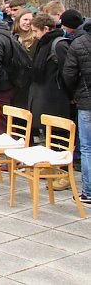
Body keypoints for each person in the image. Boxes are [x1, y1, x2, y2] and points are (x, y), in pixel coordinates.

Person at [29, 13, 72, 144]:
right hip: (44, 98)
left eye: (36, 31)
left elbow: (68, 72)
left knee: (60, 137)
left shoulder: (59, 45)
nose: (35, 35)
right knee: (49, 137)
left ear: (46, 29)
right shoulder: (41, 44)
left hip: (56, 98)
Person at [61, 19, 91, 205]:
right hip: (85, 98)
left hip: (86, 101)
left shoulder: (79, 43)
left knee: (87, 147)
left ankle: (88, 191)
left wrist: (74, 93)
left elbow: (69, 73)